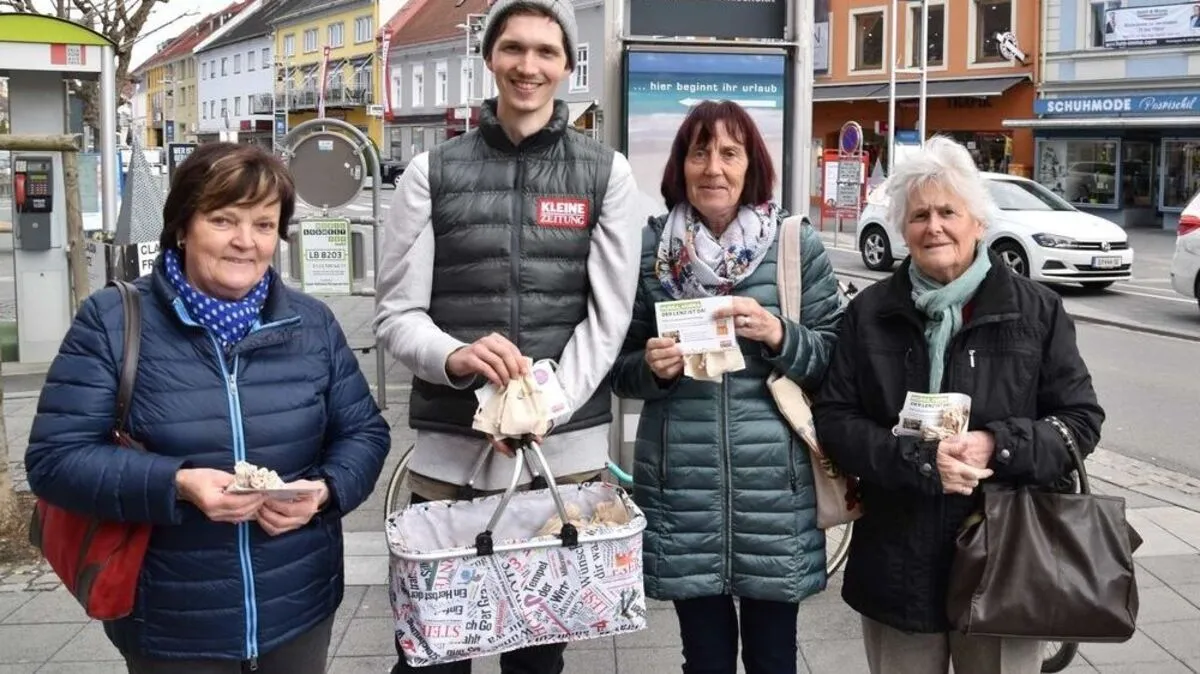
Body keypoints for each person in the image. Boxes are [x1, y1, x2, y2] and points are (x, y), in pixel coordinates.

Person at [24, 142, 392, 674]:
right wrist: (176, 484)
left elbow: (364, 432)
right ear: (182, 227)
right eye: (224, 220)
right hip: (172, 618)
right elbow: (55, 461)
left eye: (264, 225)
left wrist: (328, 489)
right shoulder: (112, 320)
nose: (246, 242)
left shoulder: (311, 324)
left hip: (298, 603)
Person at [372, 0, 640, 671]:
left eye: (547, 52)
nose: (529, 66)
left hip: (560, 459)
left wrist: (538, 411)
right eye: (513, 48)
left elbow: (607, 321)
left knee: (536, 658)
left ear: (568, 65)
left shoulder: (606, 174)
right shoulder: (431, 174)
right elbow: (396, 317)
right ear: (489, 57)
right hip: (450, 461)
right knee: (434, 652)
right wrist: (456, 357)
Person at [812, 136, 1104, 674]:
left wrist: (998, 443)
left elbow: (1080, 420)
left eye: (949, 211)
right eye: (919, 214)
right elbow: (835, 421)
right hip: (898, 560)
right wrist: (920, 460)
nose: (934, 226)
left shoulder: (1036, 312)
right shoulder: (870, 313)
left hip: (1007, 557)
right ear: (903, 228)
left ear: (978, 221)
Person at [608, 100, 844, 674]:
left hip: (775, 491)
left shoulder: (793, 244)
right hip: (682, 487)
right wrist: (652, 367)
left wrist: (778, 333)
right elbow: (618, 368)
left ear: (750, 165)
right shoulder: (650, 252)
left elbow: (835, 357)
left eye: (729, 153)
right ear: (680, 166)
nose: (714, 168)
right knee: (705, 661)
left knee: (773, 660)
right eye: (700, 152)